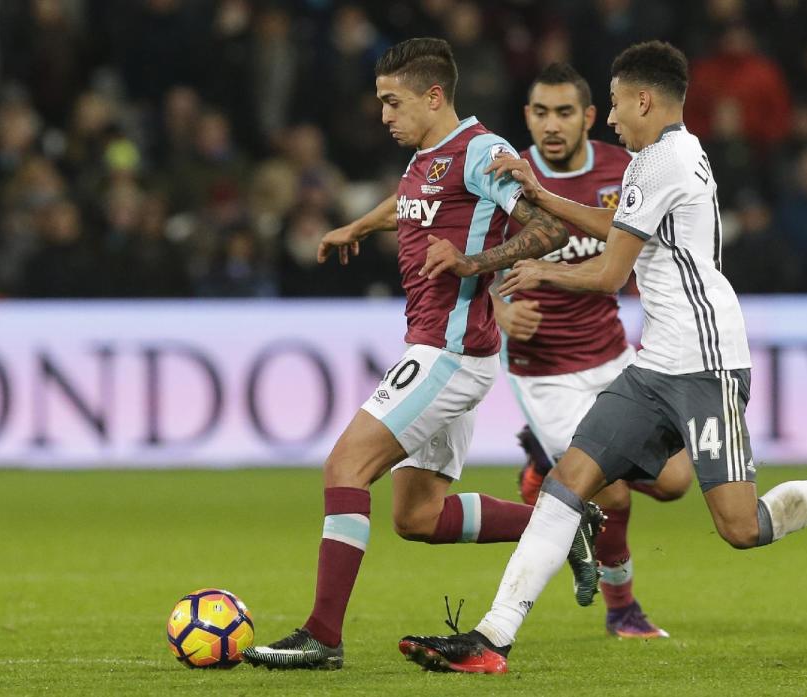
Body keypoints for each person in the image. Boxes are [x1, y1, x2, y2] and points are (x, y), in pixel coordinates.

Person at [398, 40, 807, 675]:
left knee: (740, 527)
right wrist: (541, 193)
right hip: (654, 364)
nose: (608, 119)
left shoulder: (664, 162)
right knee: (567, 484)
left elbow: (609, 275)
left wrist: (539, 275)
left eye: (611, 105)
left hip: (706, 364)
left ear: (643, 99)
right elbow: (616, 228)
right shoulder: (654, 157)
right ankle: (492, 638)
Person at [241, 37, 582, 671]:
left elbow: (550, 227)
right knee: (418, 516)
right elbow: (413, 204)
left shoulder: (483, 152)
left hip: (447, 351)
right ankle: (562, 524)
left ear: (434, 96)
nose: (383, 115)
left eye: (392, 102)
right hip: (449, 351)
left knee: (345, 466)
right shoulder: (431, 157)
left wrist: (472, 261)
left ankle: (322, 636)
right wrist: (360, 225)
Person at [494, 62, 692, 638]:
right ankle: (621, 609)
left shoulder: (623, 168)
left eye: (563, 113)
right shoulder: (505, 177)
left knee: (676, 481)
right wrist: (498, 311)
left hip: (613, 357)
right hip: (544, 372)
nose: (550, 125)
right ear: (526, 117)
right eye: (539, 112)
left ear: (587, 117)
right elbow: (463, 263)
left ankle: (542, 469)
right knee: (614, 489)